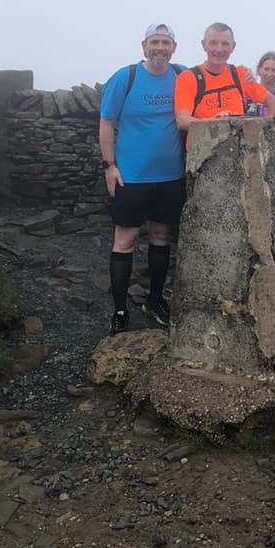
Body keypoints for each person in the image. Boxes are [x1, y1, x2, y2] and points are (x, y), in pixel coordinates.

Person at [99, 23, 186, 335]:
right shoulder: (126, 78)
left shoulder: (183, 76)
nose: (160, 48)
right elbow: (107, 123)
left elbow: (212, 87)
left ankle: (155, 300)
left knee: (162, 237)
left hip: (170, 175)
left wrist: (245, 76)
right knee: (125, 240)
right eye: (155, 42)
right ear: (144, 45)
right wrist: (110, 165)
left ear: (174, 47)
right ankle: (120, 310)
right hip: (131, 177)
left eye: (166, 42)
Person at [174, 22, 275, 130]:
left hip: (237, 145)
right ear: (204, 45)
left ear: (233, 47)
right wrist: (216, 124)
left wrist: (264, 134)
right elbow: (182, 120)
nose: (219, 49)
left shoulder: (240, 75)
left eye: (225, 44)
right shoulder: (188, 78)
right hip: (203, 145)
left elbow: (272, 103)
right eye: (213, 43)